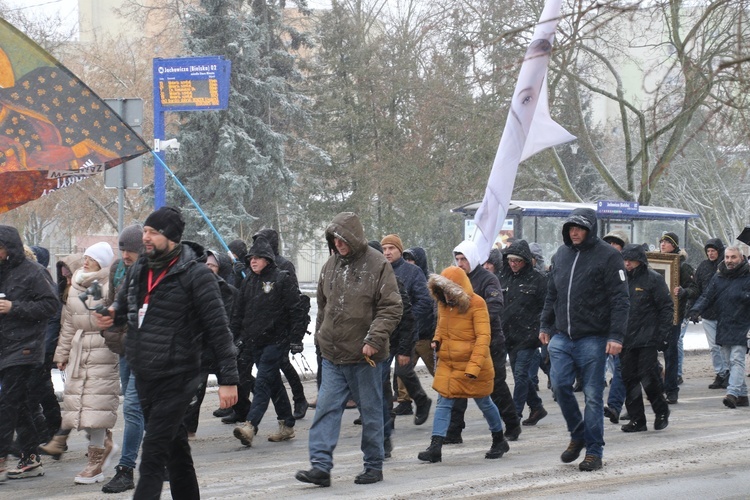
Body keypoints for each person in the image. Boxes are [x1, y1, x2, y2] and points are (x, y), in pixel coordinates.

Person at [96, 206, 238, 500]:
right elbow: (124, 310)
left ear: (171, 237)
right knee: (176, 451)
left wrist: (228, 379)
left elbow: (219, 330)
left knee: (153, 453)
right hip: (146, 373)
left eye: (152, 232)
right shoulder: (139, 269)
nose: (145, 237)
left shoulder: (196, 275)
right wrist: (111, 315)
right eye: (145, 231)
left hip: (180, 375)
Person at [295, 212, 402, 487]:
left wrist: (373, 339)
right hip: (333, 354)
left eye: (343, 239)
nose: (339, 244)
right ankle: (320, 466)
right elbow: (324, 305)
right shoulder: (330, 265)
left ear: (353, 237)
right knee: (326, 409)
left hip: (366, 356)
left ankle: (373, 464)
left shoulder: (378, 265)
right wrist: (320, 337)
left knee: (370, 411)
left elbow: (391, 307)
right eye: (335, 239)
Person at [539, 208, 629, 472]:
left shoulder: (609, 256)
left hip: (594, 337)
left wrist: (616, 336)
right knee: (559, 386)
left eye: (579, 228)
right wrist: (545, 324)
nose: (574, 232)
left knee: (592, 395)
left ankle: (593, 451)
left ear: (591, 229)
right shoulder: (561, 255)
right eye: (570, 228)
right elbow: (551, 294)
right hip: (561, 336)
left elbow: (620, 300)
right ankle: (578, 433)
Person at [417, 266, 509, 463]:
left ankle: (499, 438)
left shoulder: (477, 304)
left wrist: (474, 367)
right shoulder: (443, 304)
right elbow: (441, 328)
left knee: (485, 402)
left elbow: (483, 337)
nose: (447, 297)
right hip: (450, 364)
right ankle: (435, 447)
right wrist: (437, 340)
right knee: (443, 402)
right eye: (443, 292)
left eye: (450, 292)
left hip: (473, 365)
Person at [52, 241, 120, 484]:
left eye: (92, 257)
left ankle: (95, 462)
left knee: (96, 405)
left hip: (103, 347)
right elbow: (68, 324)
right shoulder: (75, 285)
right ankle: (105, 444)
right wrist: (62, 354)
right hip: (79, 349)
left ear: (101, 261)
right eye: (86, 256)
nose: (86, 261)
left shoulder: (109, 284)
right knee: (79, 406)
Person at [232, 236, 305, 446]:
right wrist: (234, 337)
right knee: (273, 384)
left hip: (276, 341)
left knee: (263, 381)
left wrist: (295, 339)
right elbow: (238, 312)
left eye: (258, 257)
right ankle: (287, 424)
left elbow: (296, 310)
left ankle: (250, 425)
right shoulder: (248, 281)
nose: (253, 261)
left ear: (268, 259)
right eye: (251, 258)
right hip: (254, 342)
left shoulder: (282, 278)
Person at [446, 240, 522, 443]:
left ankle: (512, 424)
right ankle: (454, 431)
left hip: (489, 342)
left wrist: (471, 322)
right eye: (458, 259)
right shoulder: (454, 282)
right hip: (462, 343)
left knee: (494, 384)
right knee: (459, 385)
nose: (460, 263)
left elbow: (495, 306)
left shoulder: (488, 280)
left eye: (464, 259)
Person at [0, 225, 59, 482]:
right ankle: (30, 457)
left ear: (9, 248)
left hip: (25, 346)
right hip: (4, 344)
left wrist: (14, 307)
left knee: (8, 402)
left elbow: (50, 305)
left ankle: (1, 458)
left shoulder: (34, 272)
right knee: (21, 402)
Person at [96, 224, 145, 494]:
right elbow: (116, 303)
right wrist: (108, 321)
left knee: (133, 408)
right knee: (140, 406)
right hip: (124, 347)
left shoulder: (153, 273)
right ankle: (161, 459)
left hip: (147, 350)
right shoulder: (118, 269)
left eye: (131, 251)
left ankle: (125, 469)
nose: (126, 255)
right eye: (123, 249)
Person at [619, 244, 673, 432]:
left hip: (647, 338)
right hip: (625, 338)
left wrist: (663, 334)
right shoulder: (619, 279)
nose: (627, 264)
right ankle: (637, 419)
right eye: (624, 260)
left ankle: (661, 410)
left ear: (640, 261)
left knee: (648, 377)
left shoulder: (653, 279)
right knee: (629, 379)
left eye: (631, 260)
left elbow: (666, 307)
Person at [689, 247, 750, 408]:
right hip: (723, 323)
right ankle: (743, 395)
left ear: (741, 258)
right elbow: (708, 296)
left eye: (733, 257)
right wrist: (696, 310)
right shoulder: (719, 276)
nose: (729, 260)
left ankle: (732, 393)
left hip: (743, 325)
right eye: (727, 257)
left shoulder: (748, 276)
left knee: (737, 360)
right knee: (729, 362)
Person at [381, 234, 433, 424]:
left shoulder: (413, 271)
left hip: (407, 332)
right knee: (382, 376)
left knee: (403, 372)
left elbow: (424, 301)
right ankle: (387, 418)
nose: (387, 252)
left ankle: (421, 400)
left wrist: (407, 318)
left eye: (391, 248)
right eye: (384, 249)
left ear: (399, 250)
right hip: (386, 333)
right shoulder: (380, 270)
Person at [499, 240, 548, 427]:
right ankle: (536, 406)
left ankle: (515, 414)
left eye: (517, 261)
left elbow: (546, 307)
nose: (513, 264)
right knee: (521, 376)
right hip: (508, 335)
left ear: (526, 261)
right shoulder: (503, 277)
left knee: (520, 375)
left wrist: (541, 329)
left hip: (529, 336)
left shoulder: (538, 280)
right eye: (510, 260)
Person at [659, 232, 698, 404]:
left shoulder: (682, 266)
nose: (663, 245)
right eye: (661, 242)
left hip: (674, 315)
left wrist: (683, 292)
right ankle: (656, 386)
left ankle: (671, 389)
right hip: (654, 316)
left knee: (671, 353)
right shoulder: (655, 263)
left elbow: (694, 289)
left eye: (667, 242)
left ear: (674, 245)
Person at [693, 238, 729, 390]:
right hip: (708, 313)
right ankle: (720, 373)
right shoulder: (703, 266)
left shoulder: (726, 266)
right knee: (714, 347)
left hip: (724, 312)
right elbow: (698, 289)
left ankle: (728, 372)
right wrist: (695, 309)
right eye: (708, 251)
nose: (710, 253)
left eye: (713, 251)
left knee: (724, 346)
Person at [602, 230, 630, 423]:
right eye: (609, 244)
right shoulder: (598, 267)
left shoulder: (629, 271)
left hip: (625, 327)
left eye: (616, 245)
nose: (612, 248)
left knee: (621, 369)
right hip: (601, 324)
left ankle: (614, 406)